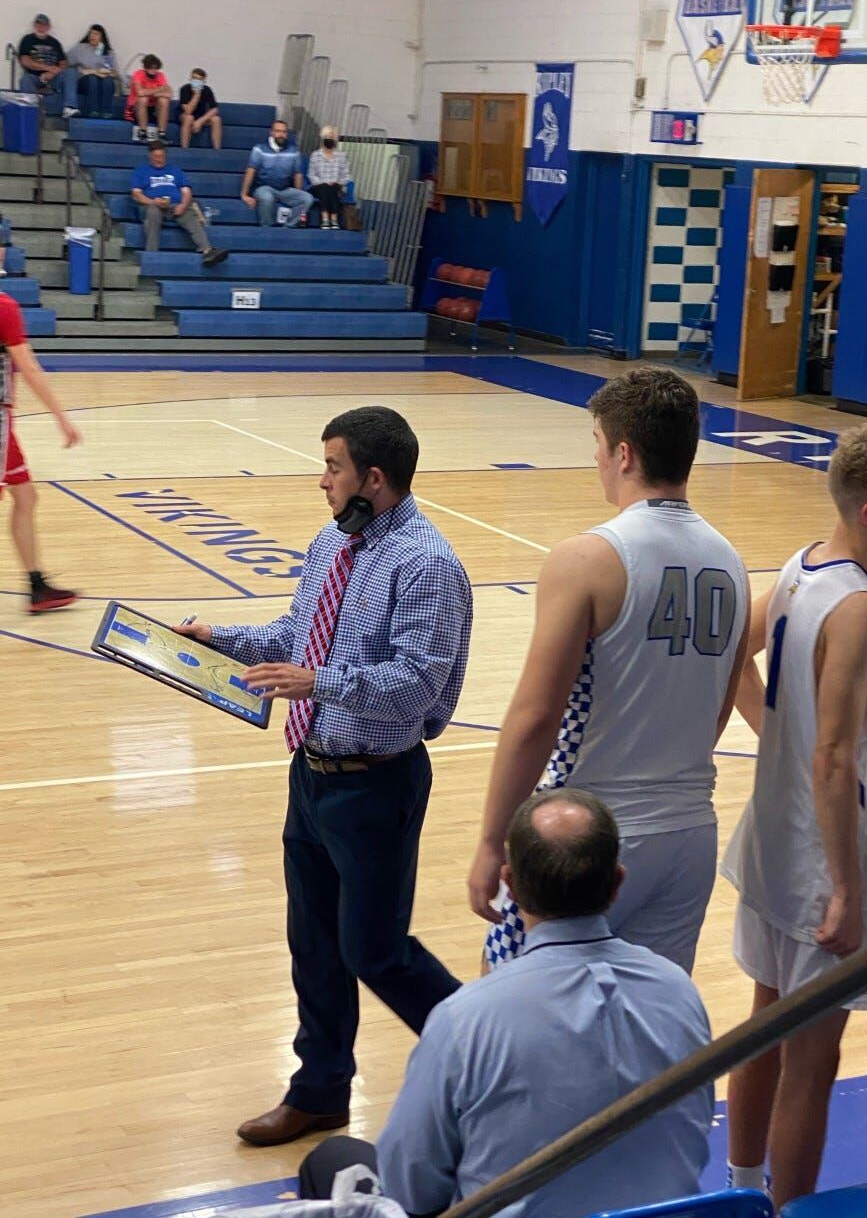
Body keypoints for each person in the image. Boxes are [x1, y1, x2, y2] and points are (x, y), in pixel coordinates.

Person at [176, 406, 473, 1147]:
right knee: (312, 942)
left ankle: (490, 1060)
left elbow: (416, 684)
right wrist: (221, 639)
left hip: (377, 784)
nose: (323, 481)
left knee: (376, 949)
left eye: (334, 467)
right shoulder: (332, 542)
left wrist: (319, 685)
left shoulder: (427, 564)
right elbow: (295, 636)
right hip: (310, 775)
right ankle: (319, 1092)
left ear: (374, 478)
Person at [720, 424, 867, 1209]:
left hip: (768, 843)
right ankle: (787, 1210)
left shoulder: (796, 566)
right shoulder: (862, 606)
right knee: (810, 1065)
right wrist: (850, 890)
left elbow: (735, 657)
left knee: (761, 1026)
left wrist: (772, 734)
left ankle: (743, 1189)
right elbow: (835, 760)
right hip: (819, 859)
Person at [299, 790, 713, 1218]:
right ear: (618, 881)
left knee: (330, 1161)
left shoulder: (465, 1017)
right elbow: (693, 1143)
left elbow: (410, 1189)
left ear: (510, 884)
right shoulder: (678, 988)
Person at [468, 366, 749, 975]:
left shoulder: (589, 557)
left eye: (597, 445)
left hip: (591, 835)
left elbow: (536, 715)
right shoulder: (732, 564)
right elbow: (720, 708)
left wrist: (493, 839)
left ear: (624, 453)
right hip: (689, 833)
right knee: (647, 1032)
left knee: (515, 1009)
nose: (594, 460)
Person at [0, 291, 81, 612]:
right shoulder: (4, 306)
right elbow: (28, 368)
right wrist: (63, 418)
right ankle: (36, 585)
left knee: (25, 494)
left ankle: (37, 585)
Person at [130, 141, 228, 265]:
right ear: (150, 156)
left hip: (174, 204)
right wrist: (152, 201)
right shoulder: (141, 170)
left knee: (189, 215)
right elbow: (136, 194)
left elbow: (186, 192)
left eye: (162, 157)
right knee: (152, 212)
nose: (159, 160)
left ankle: (207, 251)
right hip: (153, 204)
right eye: (156, 157)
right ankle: (151, 253)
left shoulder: (175, 169)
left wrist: (183, 205)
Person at [241, 119, 312, 227]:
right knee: (267, 198)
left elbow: (298, 174)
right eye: (278, 131)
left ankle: (289, 227)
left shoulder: (294, 151)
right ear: (271, 132)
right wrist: (244, 194)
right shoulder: (259, 149)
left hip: (285, 189)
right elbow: (250, 171)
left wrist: (297, 193)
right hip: (263, 188)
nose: (281, 134)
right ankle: (267, 229)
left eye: (284, 132)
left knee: (307, 198)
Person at [18, 14, 78, 116]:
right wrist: (48, 68)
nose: (41, 27)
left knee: (71, 72)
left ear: (48, 27)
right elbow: (25, 61)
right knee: (25, 79)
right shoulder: (27, 39)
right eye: (38, 24)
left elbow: (64, 63)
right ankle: (31, 111)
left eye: (44, 25)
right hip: (34, 76)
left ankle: (70, 107)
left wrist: (52, 73)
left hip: (54, 78)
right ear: (34, 25)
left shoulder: (55, 43)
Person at [67, 25, 118, 120]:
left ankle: (107, 112)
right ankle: (92, 111)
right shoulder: (80, 48)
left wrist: (105, 73)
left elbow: (114, 73)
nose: (92, 36)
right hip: (84, 80)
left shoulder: (107, 52)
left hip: (103, 80)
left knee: (108, 81)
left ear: (102, 37)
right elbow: (65, 62)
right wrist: (94, 72)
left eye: (96, 34)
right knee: (92, 79)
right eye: (91, 33)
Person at [307, 126, 351, 229]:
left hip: (336, 185)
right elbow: (311, 174)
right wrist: (324, 182)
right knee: (325, 187)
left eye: (332, 137)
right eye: (327, 137)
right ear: (323, 138)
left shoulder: (342, 155)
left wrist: (338, 182)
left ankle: (329, 219)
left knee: (332, 188)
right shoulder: (315, 155)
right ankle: (330, 219)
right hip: (318, 186)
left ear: (335, 139)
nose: (330, 139)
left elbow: (346, 174)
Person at [124, 54, 173, 142]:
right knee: (143, 99)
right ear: (145, 68)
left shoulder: (160, 75)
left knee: (164, 100)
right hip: (137, 108)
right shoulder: (138, 74)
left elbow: (169, 94)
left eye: (155, 68)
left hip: (153, 109)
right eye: (150, 68)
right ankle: (143, 132)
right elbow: (140, 92)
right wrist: (159, 90)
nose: (153, 71)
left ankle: (162, 133)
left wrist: (149, 92)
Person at [178, 67, 221, 150]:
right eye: (194, 78)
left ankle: (217, 150)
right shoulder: (184, 89)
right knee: (189, 118)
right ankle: (184, 149)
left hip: (200, 116)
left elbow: (214, 109)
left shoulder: (207, 90)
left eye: (199, 79)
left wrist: (200, 121)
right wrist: (196, 95)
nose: (196, 81)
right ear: (190, 78)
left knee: (216, 119)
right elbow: (188, 111)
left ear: (204, 81)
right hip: (185, 115)